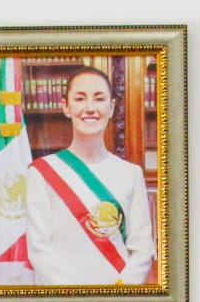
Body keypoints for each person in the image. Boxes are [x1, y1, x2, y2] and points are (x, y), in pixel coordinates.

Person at [25, 66, 155, 286]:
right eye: (80, 99)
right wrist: (75, 297)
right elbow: (39, 249)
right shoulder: (41, 172)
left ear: (111, 107)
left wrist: (117, 295)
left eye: (99, 98)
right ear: (66, 106)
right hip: (61, 299)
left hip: (117, 298)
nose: (90, 108)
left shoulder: (131, 174)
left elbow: (142, 251)